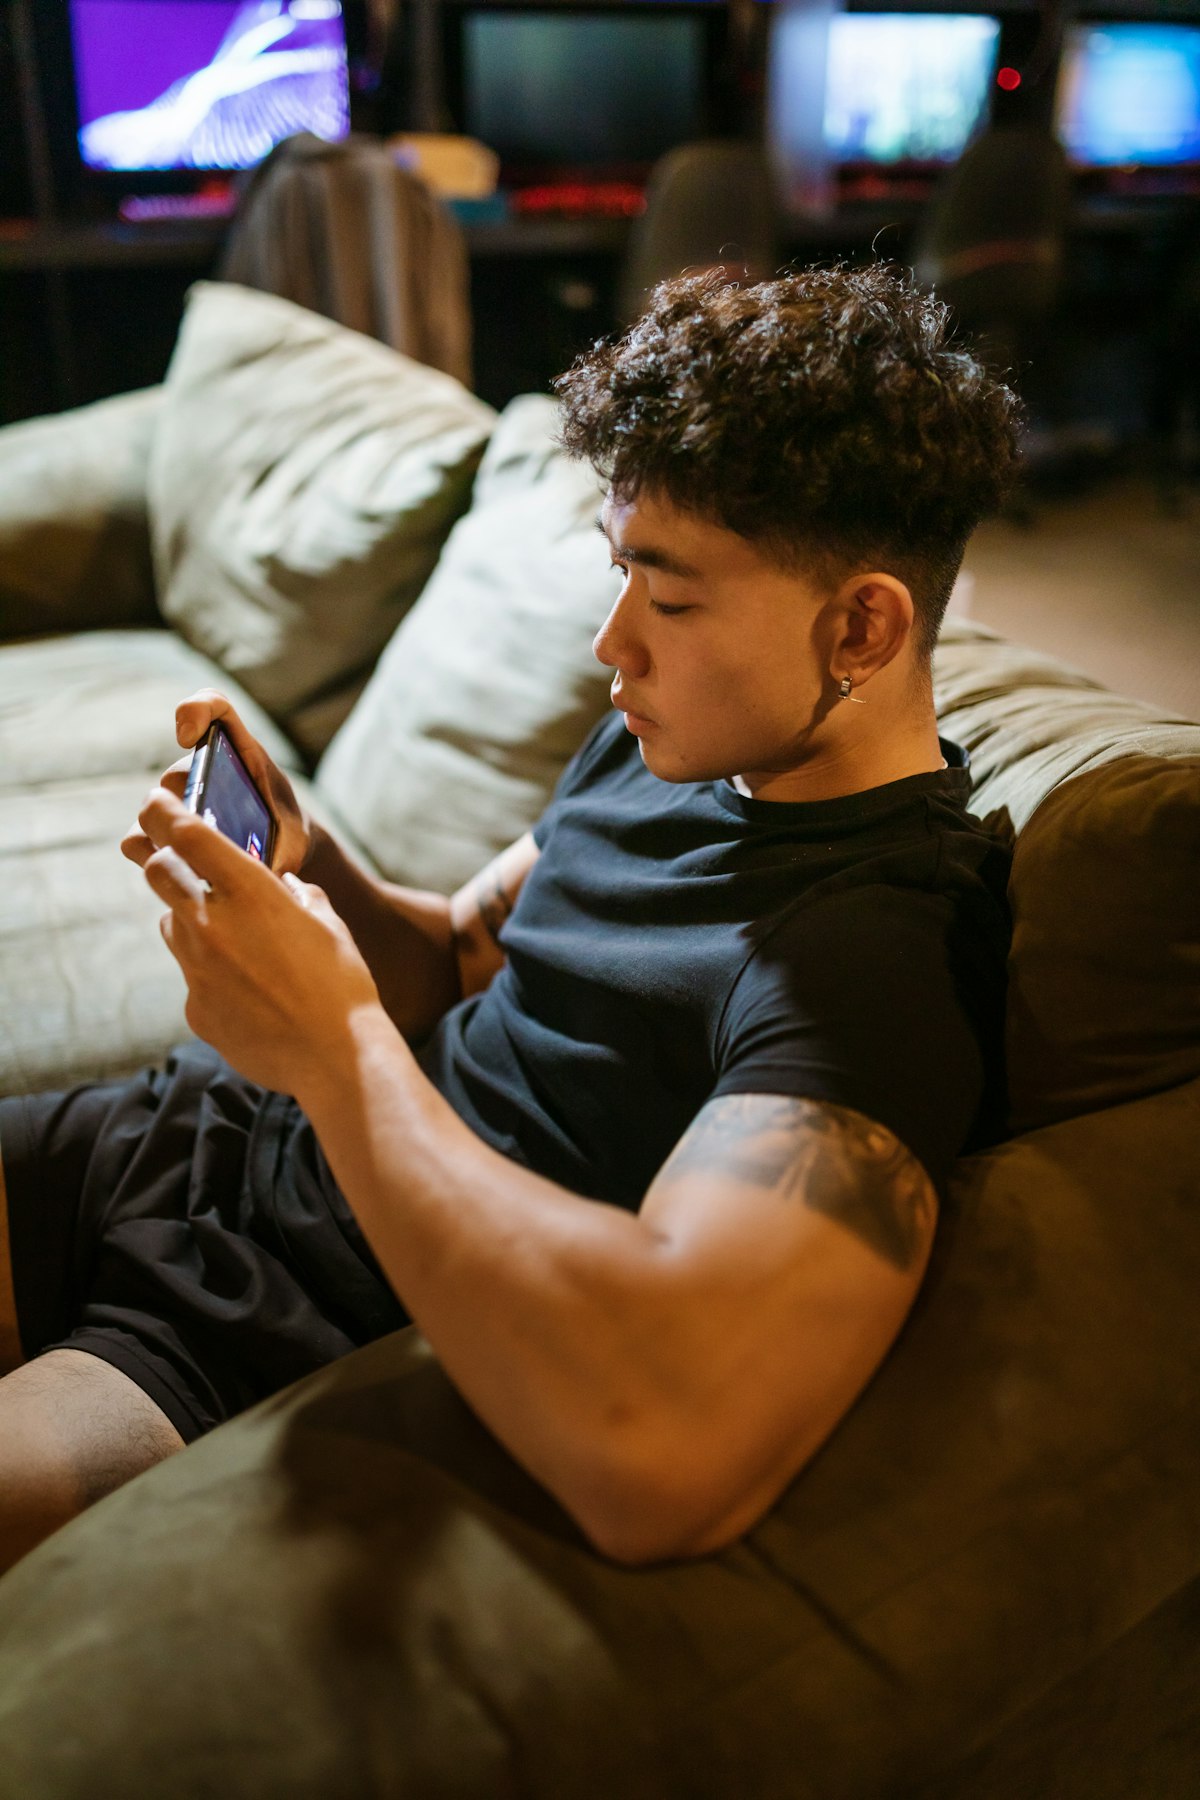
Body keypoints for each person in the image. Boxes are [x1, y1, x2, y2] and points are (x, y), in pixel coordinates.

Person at [0, 264, 1021, 1576]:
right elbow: (454, 958)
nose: (613, 642)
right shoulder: (661, 750)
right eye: (618, 576)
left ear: (863, 626)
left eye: (672, 595)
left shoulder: (879, 957)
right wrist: (317, 875)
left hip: (260, 1328)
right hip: (176, 1138)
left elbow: (666, 1452)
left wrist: (331, 1044)